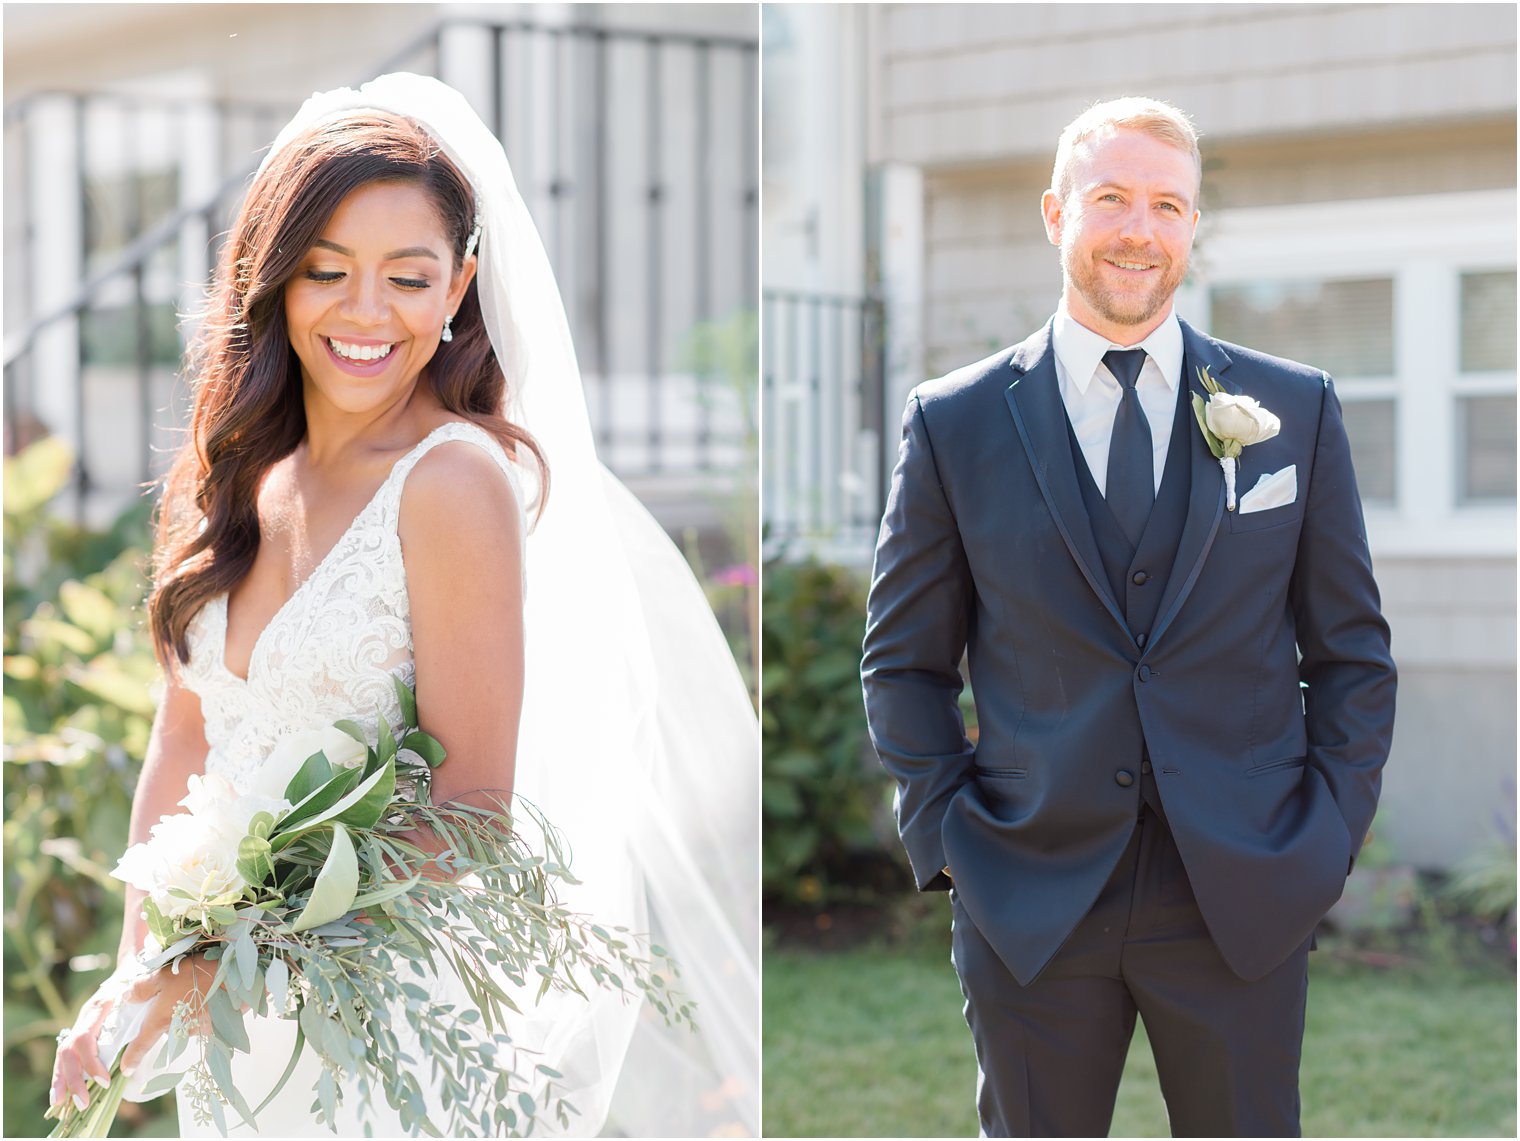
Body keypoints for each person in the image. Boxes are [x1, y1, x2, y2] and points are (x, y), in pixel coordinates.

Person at [49, 73, 759, 1137]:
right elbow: (183, 736)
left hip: (375, 1028)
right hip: (231, 1044)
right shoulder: (234, 473)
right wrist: (142, 968)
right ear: (274, 279)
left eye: (409, 277)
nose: (366, 313)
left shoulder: (450, 483)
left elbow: (468, 803)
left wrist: (224, 966)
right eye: (326, 271)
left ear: (460, 285)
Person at [860, 96, 1396, 1138]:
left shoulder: (1294, 410)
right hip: (1030, 889)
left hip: (1240, 889)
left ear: (1191, 227)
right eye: (1110, 198)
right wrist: (951, 839)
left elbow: (1350, 656)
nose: (1137, 229)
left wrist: (1323, 838)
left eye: (1165, 204)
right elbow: (902, 666)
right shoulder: (952, 421)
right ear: (1055, 213)